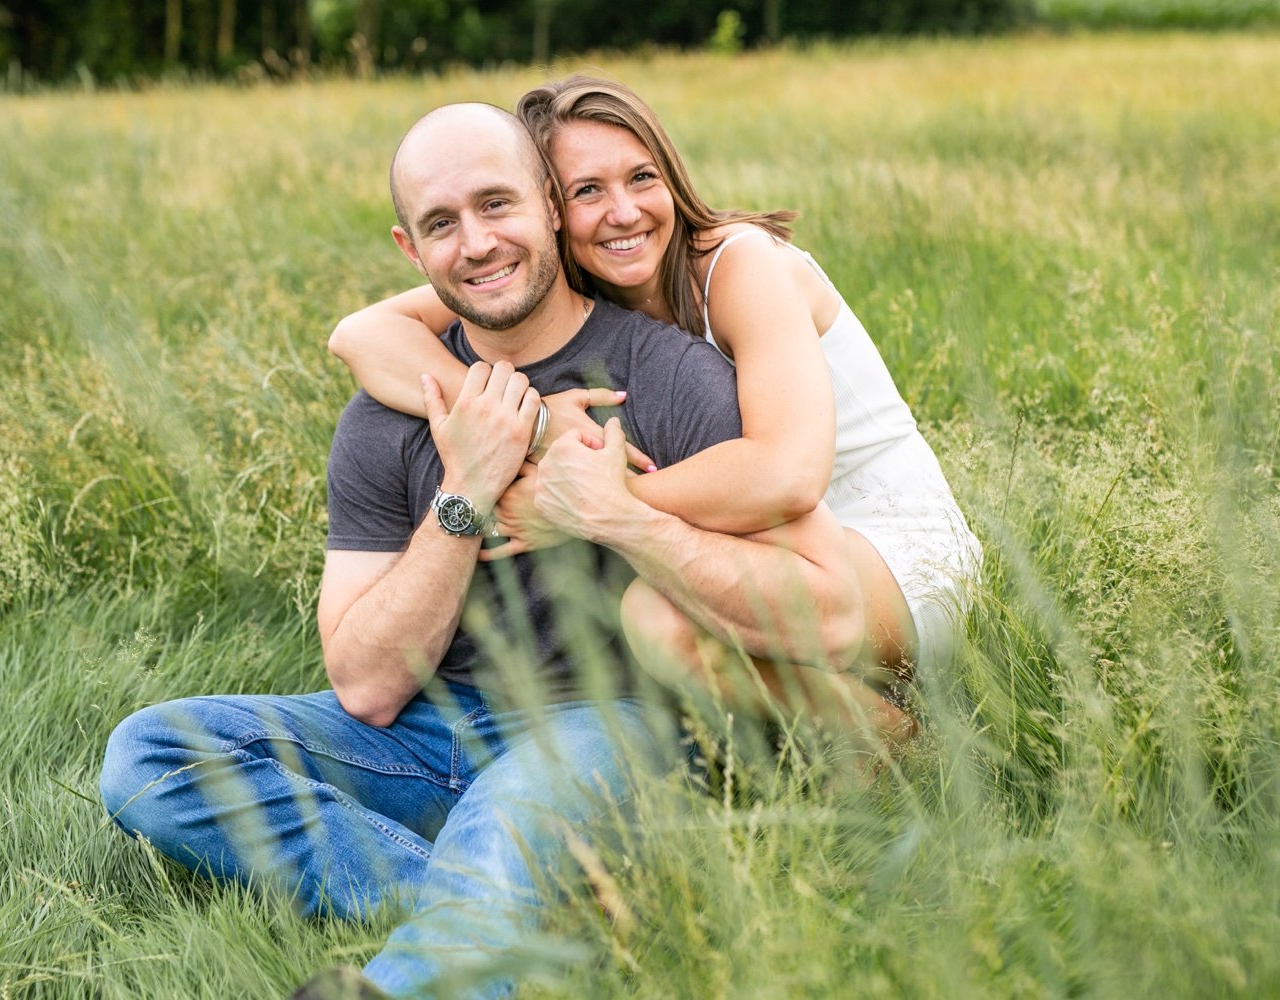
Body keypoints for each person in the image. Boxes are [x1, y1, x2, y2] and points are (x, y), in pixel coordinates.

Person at [100, 102, 857, 1000]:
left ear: (546, 205)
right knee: (150, 755)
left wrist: (614, 507)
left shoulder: (668, 376)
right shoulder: (390, 411)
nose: (477, 243)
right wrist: (466, 490)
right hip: (429, 731)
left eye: (497, 205)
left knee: (514, 812)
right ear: (410, 251)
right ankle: (506, 902)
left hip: (606, 724)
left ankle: (419, 973)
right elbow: (366, 685)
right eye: (441, 224)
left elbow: (800, 589)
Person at [330, 76, 981, 739]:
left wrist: (594, 505)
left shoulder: (740, 266)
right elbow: (361, 336)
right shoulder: (543, 269)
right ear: (550, 207)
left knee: (657, 615)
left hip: (889, 548)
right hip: (776, 544)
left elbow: (788, 475)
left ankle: (894, 747)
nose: (624, 212)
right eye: (588, 190)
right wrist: (539, 423)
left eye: (642, 178)